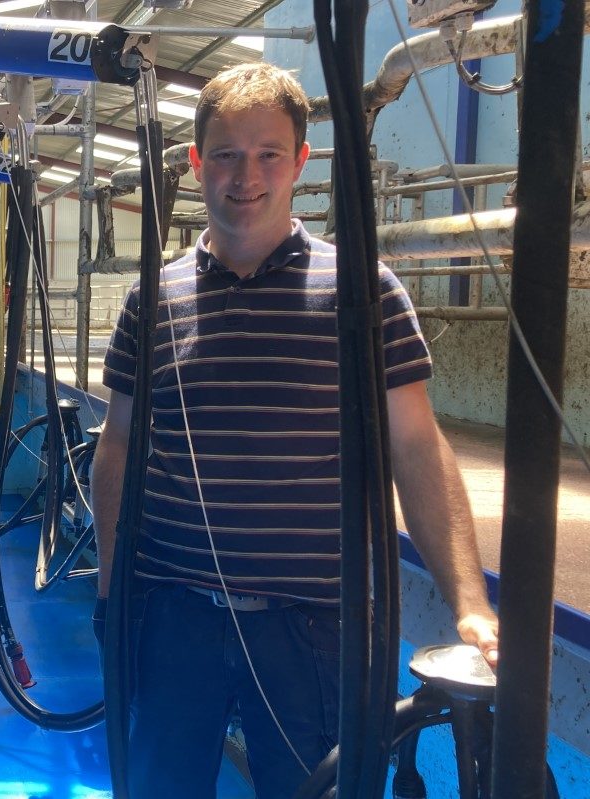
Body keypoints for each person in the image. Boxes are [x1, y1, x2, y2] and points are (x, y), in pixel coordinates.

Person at [89, 62, 499, 798]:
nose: (245, 176)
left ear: (301, 162)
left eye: (268, 154)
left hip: (315, 628)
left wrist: (468, 599)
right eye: (226, 154)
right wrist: (113, 591)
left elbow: (416, 447)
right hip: (174, 615)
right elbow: (117, 445)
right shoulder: (152, 299)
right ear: (196, 162)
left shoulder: (364, 293)